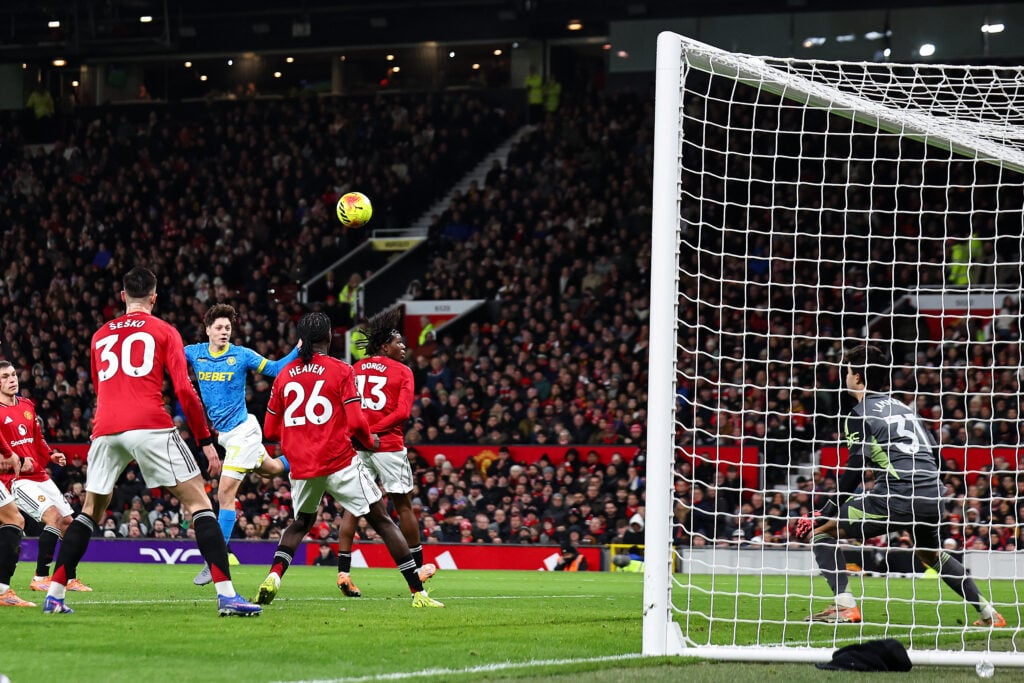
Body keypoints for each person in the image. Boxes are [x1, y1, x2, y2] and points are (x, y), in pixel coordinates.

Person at [42, 266, 261, 616]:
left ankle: (54, 595)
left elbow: (100, 390)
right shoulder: (163, 331)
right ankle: (227, 595)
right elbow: (185, 392)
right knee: (201, 506)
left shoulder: (99, 335)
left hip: (105, 429)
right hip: (150, 424)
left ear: (123, 296)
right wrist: (204, 440)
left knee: (89, 513)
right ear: (154, 298)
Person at [795, 344, 1003, 627]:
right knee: (930, 554)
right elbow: (938, 460)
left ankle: (844, 606)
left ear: (857, 377)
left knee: (819, 530)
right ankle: (990, 614)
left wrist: (824, 511)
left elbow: (856, 468)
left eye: (847, 371)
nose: (845, 376)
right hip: (932, 497)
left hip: (899, 495)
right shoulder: (906, 409)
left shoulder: (860, 413)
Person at [253, 312, 442, 608]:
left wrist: (302, 437)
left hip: (303, 466)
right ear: (328, 337)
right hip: (339, 461)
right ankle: (419, 593)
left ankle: (273, 577)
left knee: (300, 523)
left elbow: (270, 430)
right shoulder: (341, 370)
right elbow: (355, 423)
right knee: (381, 519)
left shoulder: (284, 374)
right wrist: (370, 441)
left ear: (301, 339)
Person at [185, 303, 298, 586]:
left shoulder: (241, 354)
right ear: (208, 329)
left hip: (244, 431)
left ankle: (215, 561)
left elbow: (274, 369)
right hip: (225, 437)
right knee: (272, 469)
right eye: (219, 328)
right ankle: (302, 455)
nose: (224, 332)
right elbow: (167, 356)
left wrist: (299, 348)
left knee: (225, 494)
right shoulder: (194, 353)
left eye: (228, 328)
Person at [335, 308, 436, 597]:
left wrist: (363, 433)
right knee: (403, 505)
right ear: (384, 346)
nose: (404, 347)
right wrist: (376, 431)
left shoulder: (354, 369)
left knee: (353, 506)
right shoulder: (403, 371)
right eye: (399, 343)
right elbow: (403, 412)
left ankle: (344, 573)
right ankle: (417, 567)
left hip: (357, 445)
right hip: (388, 445)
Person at [0, 361, 91, 594]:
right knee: (54, 517)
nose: (12, 380)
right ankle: (40, 577)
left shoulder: (27, 405)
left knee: (69, 524)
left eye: (13, 375)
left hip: (40, 475)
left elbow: (37, 439)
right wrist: (19, 462)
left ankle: (68, 578)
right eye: (5, 377)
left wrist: (51, 455)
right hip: (16, 479)